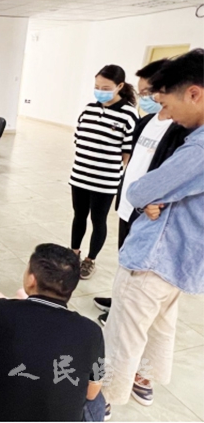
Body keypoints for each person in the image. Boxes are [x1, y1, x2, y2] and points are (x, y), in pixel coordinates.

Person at [102, 49, 204, 418]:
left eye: (166, 103)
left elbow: (141, 190)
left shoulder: (199, 147)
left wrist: (149, 194)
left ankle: (104, 397)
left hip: (155, 255)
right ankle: (144, 379)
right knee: (161, 322)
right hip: (183, 257)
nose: (167, 114)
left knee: (123, 333)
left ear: (193, 93)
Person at [93, 59, 190, 326]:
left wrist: (156, 200)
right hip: (129, 203)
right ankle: (118, 300)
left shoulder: (178, 129)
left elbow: (173, 176)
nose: (146, 97)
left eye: (150, 92)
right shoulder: (145, 121)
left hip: (148, 210)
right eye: (142, 91)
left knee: (138, 267)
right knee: (125, 257)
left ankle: (122, 311)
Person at [0, 243, 106, 422]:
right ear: (72, 287)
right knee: (95, 392)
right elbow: (91, 394)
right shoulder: (91, 331)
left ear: (31, 280)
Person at [70, 65, 139, 279]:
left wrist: (116, 172)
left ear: (119, 86)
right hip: (80, 175)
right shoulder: (89, 109)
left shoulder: (128, 114)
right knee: (79, 216)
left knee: (98, 220)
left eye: (106, 88)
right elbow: (79, 138)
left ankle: (90, 260)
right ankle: (74, 254)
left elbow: (128, 152)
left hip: (105, 180)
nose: (100, 91)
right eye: (97, 86)